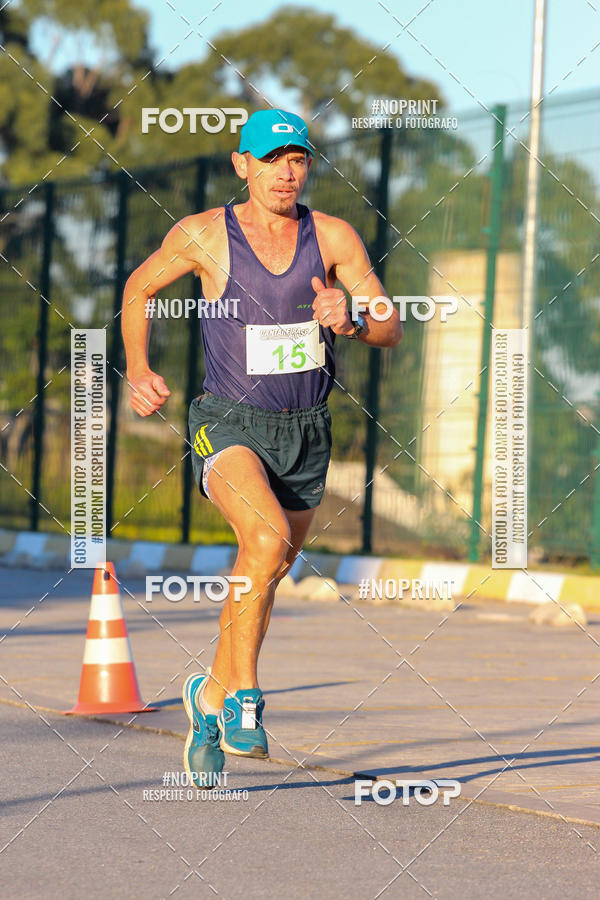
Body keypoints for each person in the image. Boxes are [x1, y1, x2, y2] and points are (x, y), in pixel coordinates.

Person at [121, 109, 402, 785]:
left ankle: (209, 696)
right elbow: (139, 289)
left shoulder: (331, 236)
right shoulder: (203, 235)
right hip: (230, 422)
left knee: (265, 566)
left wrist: (354, 318)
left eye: (298, 159)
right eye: (272, 159)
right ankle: (246, 698)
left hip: (307, 430)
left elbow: (390, 324)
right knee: (267, 538)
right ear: (242, 165)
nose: (287, 172)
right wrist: (139, 368)